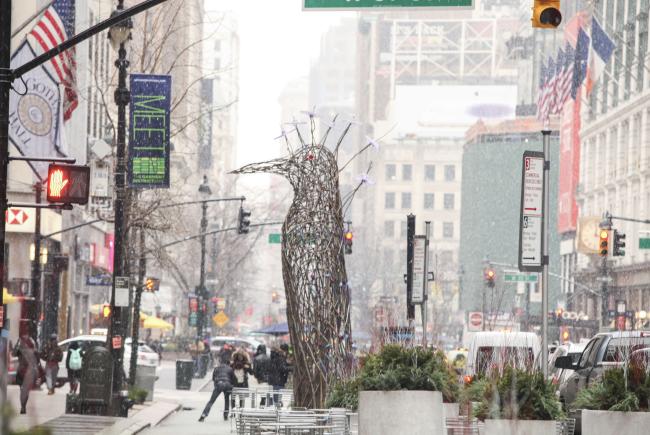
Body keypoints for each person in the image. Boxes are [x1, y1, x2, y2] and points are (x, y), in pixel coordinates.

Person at [13, 333, 39, 414]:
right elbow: (14, 353)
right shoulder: (24, 349)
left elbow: (14, 353)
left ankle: (23, 406)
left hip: (25, 372)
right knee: (25, 390)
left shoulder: (25, 349)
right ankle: (23, 406)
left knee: (23, 390)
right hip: (25, 372)